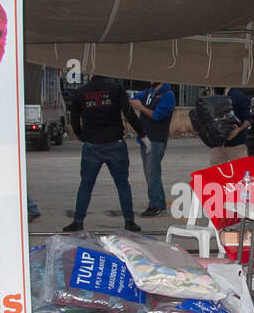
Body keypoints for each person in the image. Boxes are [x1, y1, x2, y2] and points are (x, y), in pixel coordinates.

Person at [63, 76, 143, 233]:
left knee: (86, 185)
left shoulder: (81, 92)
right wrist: (142, 133)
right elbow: (128, 112)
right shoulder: (116, 89)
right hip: (114, 142)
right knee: (122, 185)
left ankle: (78, 221)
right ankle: (129, 221)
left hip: (92, 144)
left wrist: (82, 136)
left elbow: (74, 120)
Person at [130, 81, 176, 217]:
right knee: (151, 173)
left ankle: (155, 205)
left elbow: (157, 115)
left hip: (156, 138)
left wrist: (141, 107)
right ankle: (159, 204)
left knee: (152, 174)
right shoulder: (148, 92)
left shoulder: (168, 95)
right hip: (145, 138)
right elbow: (133, 99)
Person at [209, 86, 251, 164]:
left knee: (242, 173)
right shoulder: (215, 96)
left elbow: (248, 120)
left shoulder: (238, 95)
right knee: (216, 173)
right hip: (218, 145)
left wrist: (238, 130)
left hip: (236, 144)